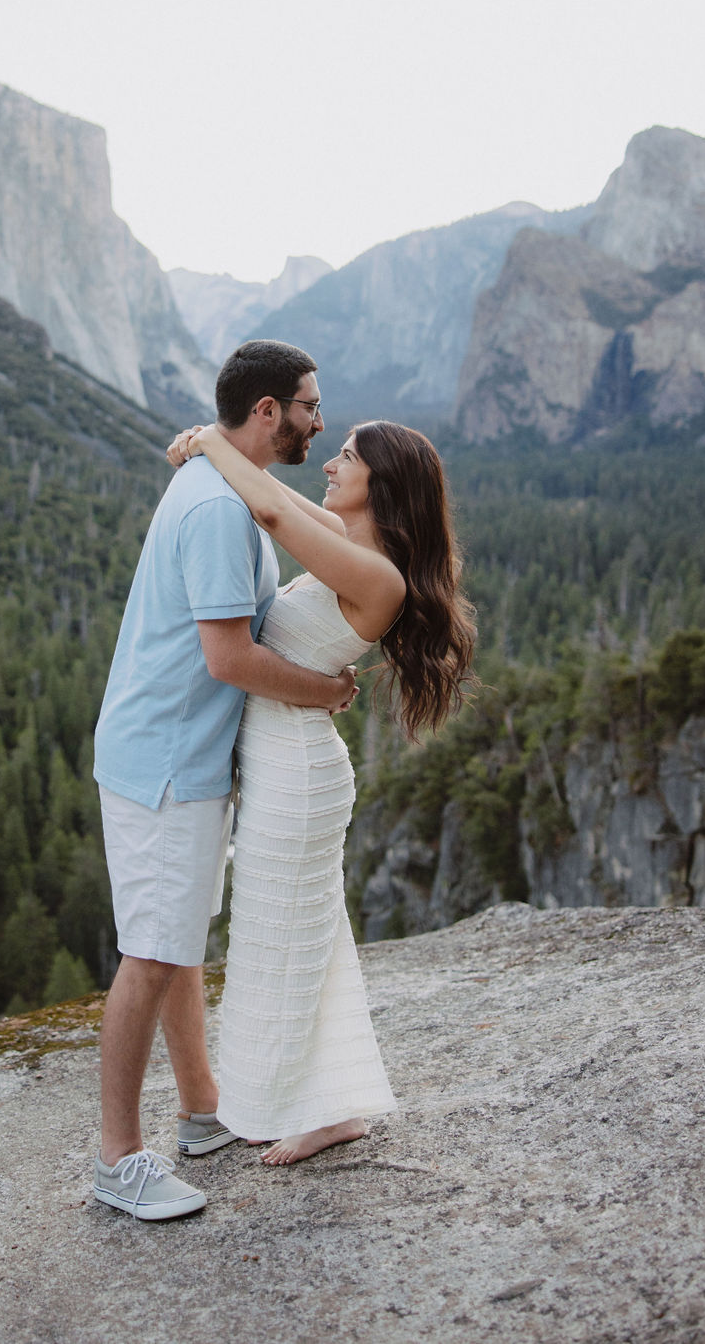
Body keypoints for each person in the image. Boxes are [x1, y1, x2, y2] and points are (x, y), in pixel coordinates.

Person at [91, 340, 359, 1220]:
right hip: (165, 765)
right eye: (311, 405)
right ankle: (118, 1158)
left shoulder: (228, 488)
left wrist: (206, 440)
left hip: (183, 762)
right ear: (270, 411)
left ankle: (204, 1111)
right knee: (154, 952)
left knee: (177, 942)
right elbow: (227, 655)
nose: (322, 420)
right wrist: (325, 691)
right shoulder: (215, 509)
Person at [165, 416, 476, 1164]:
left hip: (298, 774)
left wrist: (212, 444)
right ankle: (335, 1104)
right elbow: (275, 494)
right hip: (282, 763)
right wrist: (212, 443)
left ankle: (302, 1107)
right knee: (307, 937)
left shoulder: (378, 574)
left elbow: (271, 511)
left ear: (382, 483)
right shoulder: (351, 545)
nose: (331, 464)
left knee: (285, 941)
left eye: (347, 457)